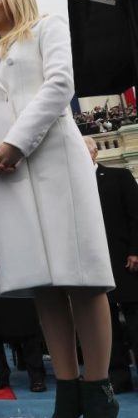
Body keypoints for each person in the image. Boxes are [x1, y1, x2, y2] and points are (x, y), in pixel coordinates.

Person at [0, 0, 118, 416]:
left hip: (54, 162)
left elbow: (59, 85)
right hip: (8, 175)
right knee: (45, 287)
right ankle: (67, 389)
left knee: (82, 277)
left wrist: (15, 143)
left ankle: (99, 387)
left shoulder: (47, 27)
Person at [0, 180, 46, 393]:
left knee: (27, 323)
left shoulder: (15, 188)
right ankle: (0, 373)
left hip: (19, 266)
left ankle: (36, 374)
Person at [84, 137, 138, 394]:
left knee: (136, 319)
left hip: (126, 261)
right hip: (93, 265)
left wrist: (135, 251)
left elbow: (136, 215)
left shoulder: (119, 176)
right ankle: (118, 377)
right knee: (105, 324)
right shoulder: (72, 186)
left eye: (84, 151)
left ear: (95, 152)